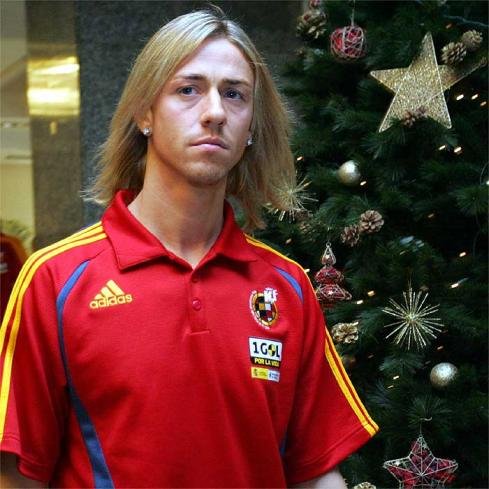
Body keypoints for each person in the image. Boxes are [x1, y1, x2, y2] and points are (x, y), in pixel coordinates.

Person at [0, 7, 378, 488]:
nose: (215, 112)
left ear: (251, 128)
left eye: (234, 94)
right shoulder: (56, 279)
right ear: (145, 113)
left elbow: (316, 473)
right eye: (188, 89)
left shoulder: (287, 288)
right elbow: (19, 476)